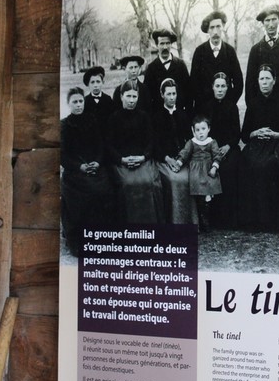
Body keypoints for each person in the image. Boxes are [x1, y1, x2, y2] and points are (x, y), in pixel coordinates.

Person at [237, 65, 279, 231]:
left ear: (274, 81)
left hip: (277, 145)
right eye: (261, 79)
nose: (264, 82)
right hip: (256, 145)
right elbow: (245, 135)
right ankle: (250, 218)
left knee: (266, 166)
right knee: (244, 162)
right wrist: (256, 132)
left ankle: (268, 220)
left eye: (268, 78)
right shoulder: (253, 103)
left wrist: (276, 134)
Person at [60, 87, 113, 255]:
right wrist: (79, 166)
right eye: (74, 102)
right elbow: (63, 155)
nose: (78, 105)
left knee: (104, 190)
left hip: (95, 167)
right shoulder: (64, 125)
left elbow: (101, 145)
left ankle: (101, 238)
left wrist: (97, 162)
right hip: (75, 171)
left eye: (81, 101)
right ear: (69, 104)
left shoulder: (92, 120)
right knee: (82, 194)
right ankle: (79, 241)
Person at [106, 80, 164, 223]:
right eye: (128, 96)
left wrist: (143, 157)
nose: (132, 100)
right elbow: (109, 145)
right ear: (121, 96)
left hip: (142, 160)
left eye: (134, 97)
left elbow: (151, 142)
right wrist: (121, 160)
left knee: (149, 182)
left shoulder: (144, 117)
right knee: (128, 184)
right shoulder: (113, 118)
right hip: (121, 162)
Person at [151, 79, 198, 225]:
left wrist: (182, 159)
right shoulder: (156, 117)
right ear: (162, 95)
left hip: (181, 159)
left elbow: (189, 141)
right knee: (176, 180)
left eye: (174, 93)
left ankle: (192, 222)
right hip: (164, 160)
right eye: (168, 94)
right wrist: (168, 159)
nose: (172, 97)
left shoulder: (182, 115)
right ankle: (176, 223)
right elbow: (155, 144)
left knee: (191, 177)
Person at [200, 72, 241, 228]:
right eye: (217, 86)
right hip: (210, 147)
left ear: (227, 88)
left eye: (223, 86)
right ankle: (212, 216)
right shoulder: (206, 107)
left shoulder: (232, 107)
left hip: (228, 147)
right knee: (208, 168)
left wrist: (228, 146)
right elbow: (203, 132)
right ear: (212, 87)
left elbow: (236, 133)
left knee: (229, 168)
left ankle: (229, 218)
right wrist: (213, 148)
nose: (220, 89)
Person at [174, 114, 223, 232]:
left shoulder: (212, 142)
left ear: (209, 129)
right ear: (193, 131)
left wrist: (214, 167)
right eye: (197, 130)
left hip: (208, 170)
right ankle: (199, 220)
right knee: (199, 196)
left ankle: (206, 220)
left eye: (203, 129)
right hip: (196, 171)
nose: (201, 133)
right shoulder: (192, 142)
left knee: (208, 196)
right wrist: (179, 162)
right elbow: (185, 153)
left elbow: (217, 155)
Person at [189, 11, 243, 112]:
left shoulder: (230, 51)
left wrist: (229, 104)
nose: (215, 32)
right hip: (205, 110)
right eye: (212, 27)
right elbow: (194, 84)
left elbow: (238, 82)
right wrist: (203, 105)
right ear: (208, 31)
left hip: (226, 111)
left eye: (218, 27)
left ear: (223, 27)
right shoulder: (199, 52)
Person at [245, 4, 279, 103]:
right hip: (263, 104)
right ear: (263, 23)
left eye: (274, 19)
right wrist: (252, 107)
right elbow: (250, 82)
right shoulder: (256, 49)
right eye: (267, 21)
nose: (271, 24)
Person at [144, 28, 192, 112]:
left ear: (171, 45)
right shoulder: (151, 68)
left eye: (168, 43)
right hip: (159, 118)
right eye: (162, 43)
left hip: (179, 116)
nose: (165, 47)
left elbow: (188, 93)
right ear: (157, 45)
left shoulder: (180, 65)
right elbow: (147, 97)